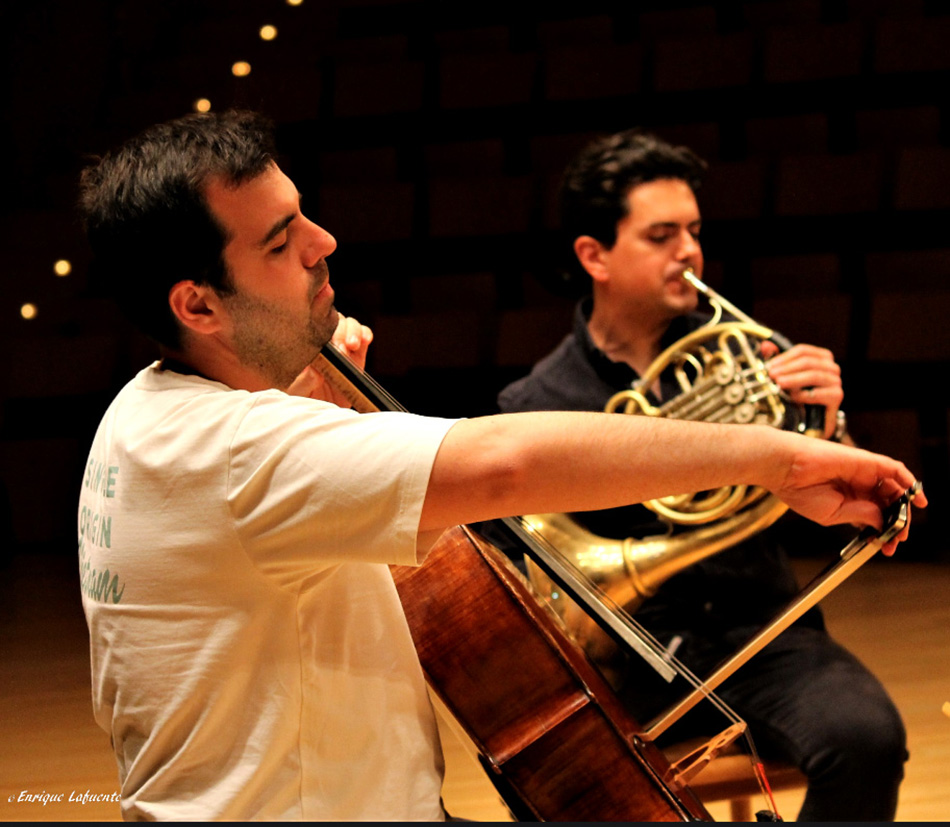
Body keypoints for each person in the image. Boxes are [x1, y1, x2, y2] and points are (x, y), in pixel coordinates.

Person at [76, 111, 923, 822]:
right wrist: (781, 457)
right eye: (278, 241)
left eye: (302, 215)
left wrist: (310, 397)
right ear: (198, 304)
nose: (322, 242)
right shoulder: (245, 450)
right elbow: (506, 466)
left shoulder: (142, 415)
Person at [497, 128, 913, 821]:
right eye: (661, 235)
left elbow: (834, 497)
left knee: (867, 739)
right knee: (540, 782)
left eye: (693, 231)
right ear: (594, 255)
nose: (688, 251)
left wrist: (831, 430)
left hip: (761, 632)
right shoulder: (536, 404)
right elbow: (524, 574)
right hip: (626, 659)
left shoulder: (756, 357)